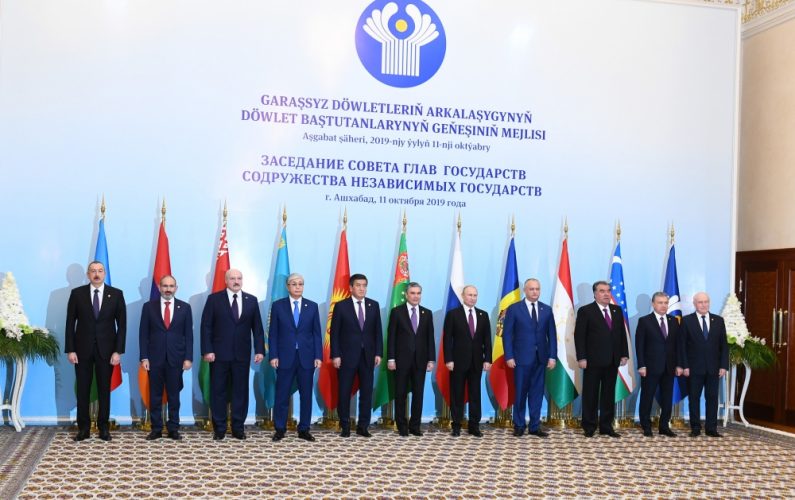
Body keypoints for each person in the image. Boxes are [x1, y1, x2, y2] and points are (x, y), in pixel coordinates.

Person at [64, 260, 126, 442]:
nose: (96, 274)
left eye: (100, 271)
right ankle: (83, 428)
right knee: (83, 390)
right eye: (93, 271)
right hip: (81, 351)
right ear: (88, 274)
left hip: (107, 351)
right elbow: (70, 324)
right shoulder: (77, 294)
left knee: (104, 390)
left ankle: (103, 428)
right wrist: (70, 350)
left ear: (104, 273)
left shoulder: (116, 294)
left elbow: (122, 326)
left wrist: (118, 351)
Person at [200, 269, 265, 440]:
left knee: (240, 392)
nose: (236, 281)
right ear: (226, 280)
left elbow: (258, 329)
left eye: (239, 278)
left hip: (242, 355)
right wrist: (207, 350)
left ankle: (238, 428)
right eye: (232, 278)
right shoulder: (214, 299)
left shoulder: (251, 300)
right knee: (218, 391)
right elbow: (206, 326)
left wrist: (259, 350)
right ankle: (220, 428)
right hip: (218, 355)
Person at [268, 273, 322, 442]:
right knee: (282, 394)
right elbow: (273, 333)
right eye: (294, 284)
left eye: (300, 284)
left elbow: (316, 334)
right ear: (287, 286)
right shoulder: (278, 306)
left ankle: (304, 429)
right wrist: (273, 355)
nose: (298, 287)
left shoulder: (312, 306)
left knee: (306, 395)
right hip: (284, 357)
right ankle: (280, 428)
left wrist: (318, 356)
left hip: (307, 358)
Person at [139, 275, 193, 440]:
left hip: (176, 359)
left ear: (176, 288)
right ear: (159, 287)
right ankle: (156, 429)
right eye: (165, 286)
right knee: (155, 396)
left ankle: (173, 428)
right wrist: (144, 357)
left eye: (171, 286)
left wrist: (188, 358)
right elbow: (143, 334)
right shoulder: (149, 307)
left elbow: (188, 335)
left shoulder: (185, 307)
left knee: (174, 396)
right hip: (154, 359)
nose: (168, 289)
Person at [574, 280, 629, 437]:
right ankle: (589, 426)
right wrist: (582, 358)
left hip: (612, 360)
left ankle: (606, 426)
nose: (606, 294)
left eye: (608, 291)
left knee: (608, 395)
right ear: (595, 293)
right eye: (602, 291)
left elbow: (621, 334)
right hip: (592, 361)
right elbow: (579, 336)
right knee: (590, 394)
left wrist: (624, 354)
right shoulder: (586, 311)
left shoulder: (617, 310)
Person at [503, 278, 557, 437]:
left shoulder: (546, 309)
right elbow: (507, 335)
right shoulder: (514, 309)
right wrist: (509, 356)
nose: (535, 292)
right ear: (525, 291)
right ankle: (519, 425)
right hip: (520, 359)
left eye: (537, 289)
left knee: (537, 394)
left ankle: (534, 426)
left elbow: (552, 335)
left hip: (541, 359)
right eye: (532, 289)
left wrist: (552, 356)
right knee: (520, 393)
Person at [331, 273, 383, 437]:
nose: (362, 288)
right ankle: (345, 426)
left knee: (367, 393)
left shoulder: (373, 305)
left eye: (364, 285)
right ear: (351, 288)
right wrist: (336, 355)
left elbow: (378, 332)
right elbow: (334, 333)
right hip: (346, 356)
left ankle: (363, 427)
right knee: (344, 392)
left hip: (368, 356)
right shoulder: (341, 306)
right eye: (358, 285)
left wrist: (378, 353)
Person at [387, 282, 435, 437]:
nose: (416, 296)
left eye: (418, 293)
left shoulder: (427, 313)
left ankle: (415, 426)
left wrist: (431, 359)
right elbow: (391, 337)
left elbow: (430, 338)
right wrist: (391, 358)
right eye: (413, 293)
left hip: (421, 361)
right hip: (401, 360)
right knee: (400, 393)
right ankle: (402, 426)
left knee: (418, 394)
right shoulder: (397, 312)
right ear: (407, 295)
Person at [443, 285, 492, 437]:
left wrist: (488, 359)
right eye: (470, 295)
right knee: (457, 394)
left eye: (475, 295)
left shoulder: (483, 315)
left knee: (475, 394)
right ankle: (456, 425)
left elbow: (487, 340)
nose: (472, 298)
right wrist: (448, 359)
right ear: (463, 296)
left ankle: (474, 426)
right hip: (457, 362)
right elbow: (447, 339)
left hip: (477, 362)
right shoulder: (453, 314)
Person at [680, 291, 729, 438]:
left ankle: (711, 428)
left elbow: (724, 346)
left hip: (714, 368)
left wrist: (723, 366)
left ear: (709, 303)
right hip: (694, 368)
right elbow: (682, 346)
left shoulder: (718, 320)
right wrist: (685, 366)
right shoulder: (687, 321)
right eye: (700, 302)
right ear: (695, 304)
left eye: (706, 302)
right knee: (694, 398)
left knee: (712, 398)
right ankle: (695, 428)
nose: (703, 305)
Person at [635, 291, 682, 437]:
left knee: (667, 398)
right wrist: (641, 365)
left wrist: (679, 365)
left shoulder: (674, 321)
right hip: (650, 367)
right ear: (653, 304)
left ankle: (664, 426)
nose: (663, 306)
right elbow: (640, 345)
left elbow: (678, 345)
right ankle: (646, 426)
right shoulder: (644, 321)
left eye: (666, 303)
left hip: (669, 366)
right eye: (660, 303)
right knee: (647, 397)